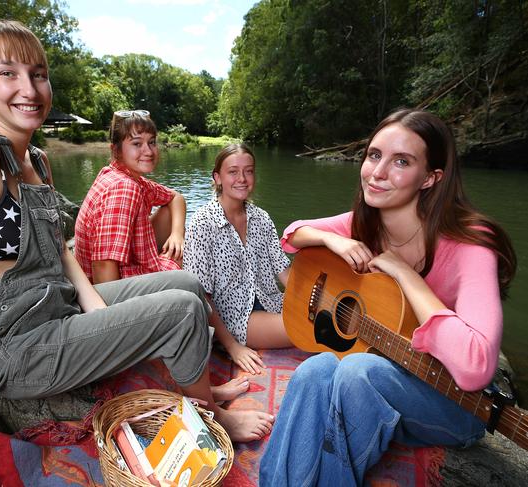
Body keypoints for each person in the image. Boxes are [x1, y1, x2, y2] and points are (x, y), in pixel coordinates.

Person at [0, 19, 274, 442]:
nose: (29, 89)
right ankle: (213, 420)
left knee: (187, 283)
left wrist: (101, 313)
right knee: (181, 311)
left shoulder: (37, 159)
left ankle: (198, 388)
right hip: (13, 349)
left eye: (39, 75)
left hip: (56, 310)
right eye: (8, 73)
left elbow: (58, 250)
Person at [259, 108, 516, 485]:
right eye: (374, 155)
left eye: (401, 161)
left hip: (457, 402)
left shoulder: (471, 243)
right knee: (315, 371)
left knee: (357, 370)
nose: (378, 172)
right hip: (389, 381)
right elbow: (293, 233)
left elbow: (475, 366)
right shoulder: (366, 223)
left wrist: (405, 273)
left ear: (431, 178)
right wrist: (333, 238)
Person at [183, 144, 292, 375]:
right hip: (234, 319)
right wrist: (233, 347)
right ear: (217, 178)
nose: (242, 178)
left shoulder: (261, 218)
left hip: (271, 301)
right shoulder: (202, 224)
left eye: (249, 171)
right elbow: (200, 296)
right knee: (310, 329)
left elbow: (284, 272)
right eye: (233, 171)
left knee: (326, 317)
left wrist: (317, 301)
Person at [74, 111, 185, 284]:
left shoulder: (124, 176)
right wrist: (118, 311)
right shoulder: (124, 187)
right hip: (105, 289)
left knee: (178, 241)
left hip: (123, 269)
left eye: (152, 142)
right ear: (116, 150)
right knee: (191, 262)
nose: (148, 151)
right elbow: (103, 266)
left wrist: (177, 235)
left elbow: (175, 197)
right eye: (137, 143)